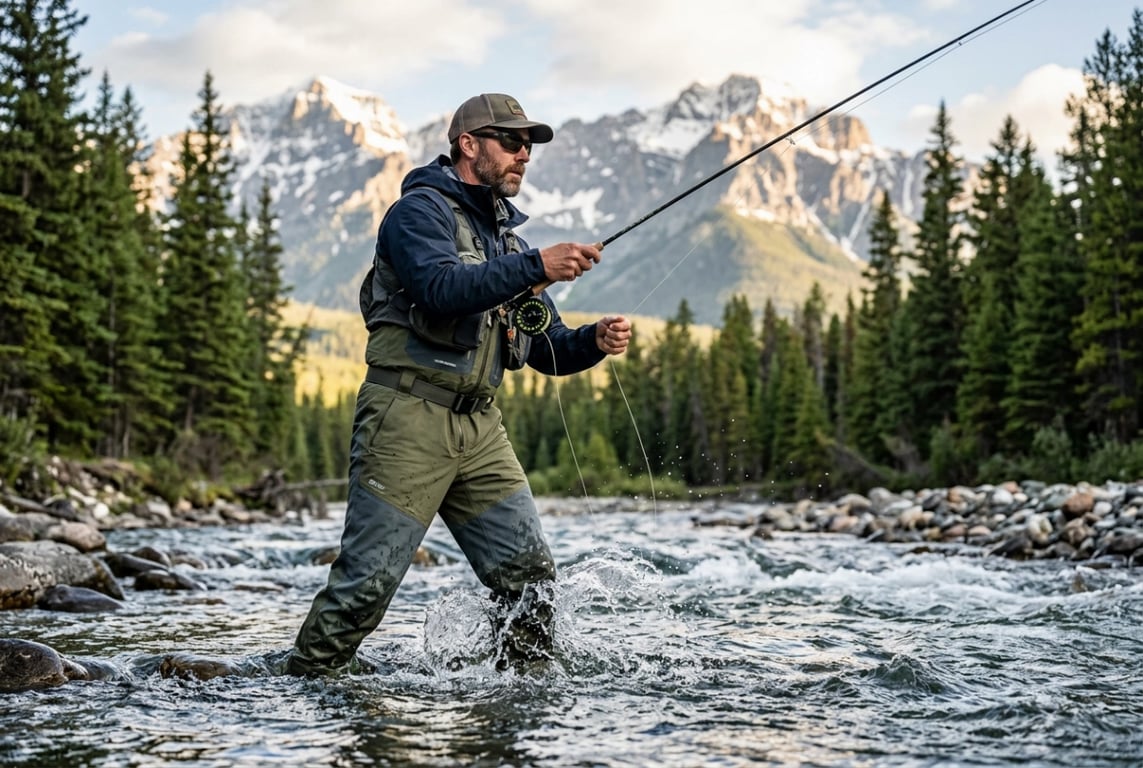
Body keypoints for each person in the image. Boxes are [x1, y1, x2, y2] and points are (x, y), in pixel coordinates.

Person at [286, 93, 631, 675]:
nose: (525, 154)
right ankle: (302, 689)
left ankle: (512, 706)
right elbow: (441, 289)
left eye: (530, 146)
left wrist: (591, 340)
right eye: (512, 141)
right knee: (363, 591)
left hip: (481, 430)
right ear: (469, 145)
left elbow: (543, 346)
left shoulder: (507, 243)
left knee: (531, 588)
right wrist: (537, 267)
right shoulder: (417, 214)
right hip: (407, 418)